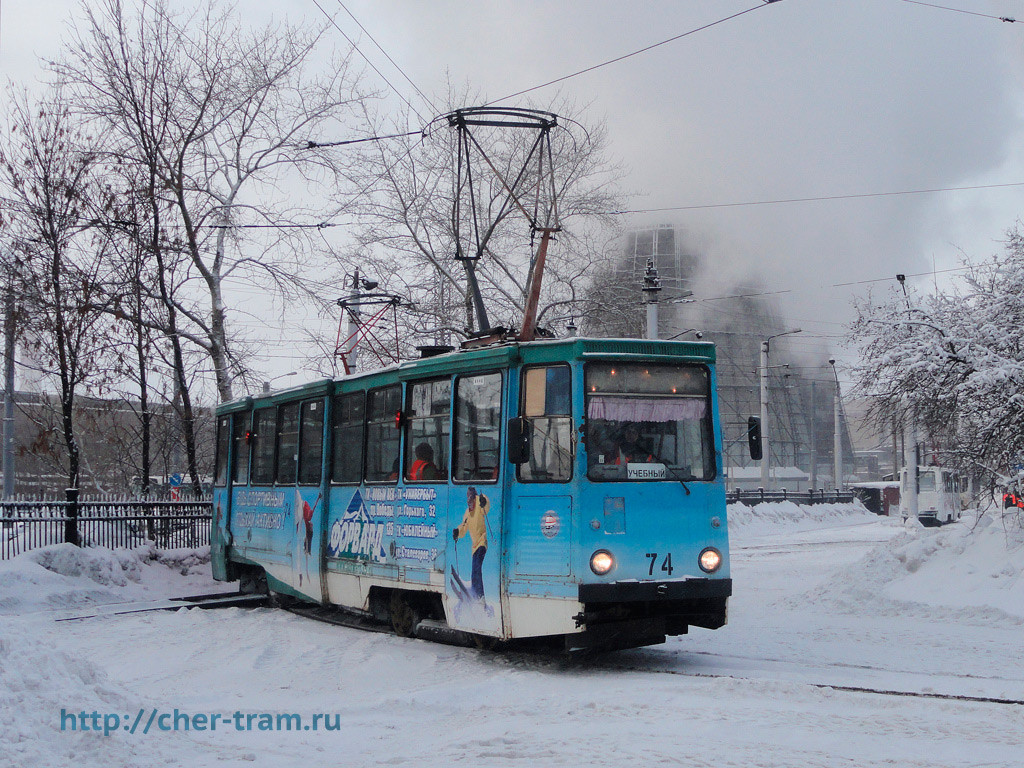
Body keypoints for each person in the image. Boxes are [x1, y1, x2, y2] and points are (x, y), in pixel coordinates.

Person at [453, 486, 489, 600]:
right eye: (468, 502)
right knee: (474, 572)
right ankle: (475, 593)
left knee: (476, 568)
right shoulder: (468, 513)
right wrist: (457, 532)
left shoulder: (479, 503)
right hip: (474, 546)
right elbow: (463, 527)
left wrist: (484, 502)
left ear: (474, 498)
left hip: (482, 542)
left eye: (471, 500)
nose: (470, 504)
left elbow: (486, 507)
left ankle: (480, 595)